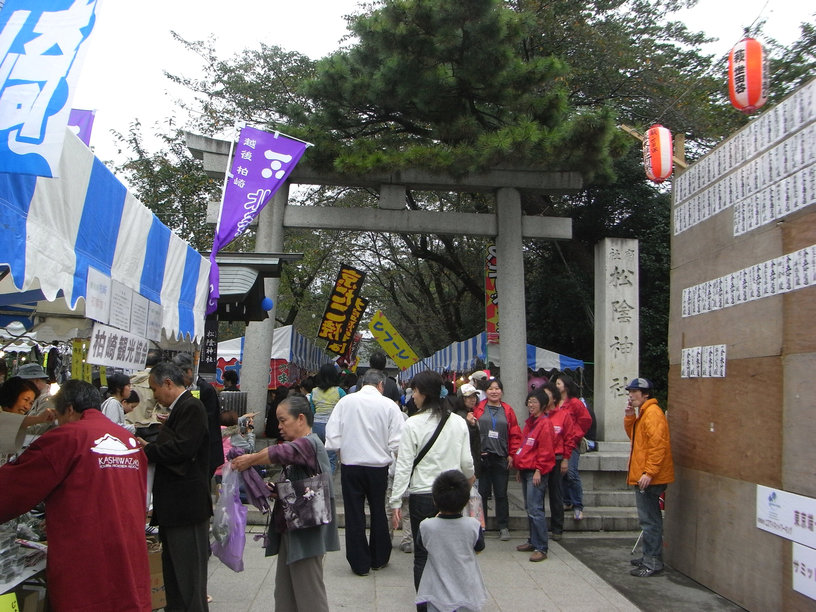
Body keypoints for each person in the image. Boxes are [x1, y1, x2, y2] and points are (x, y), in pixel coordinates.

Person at [0, 380, 151, 611]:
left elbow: (14, 487)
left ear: (69, 409)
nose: (58, 424)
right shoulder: (127, 440)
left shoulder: (67, 437)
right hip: (129, 555)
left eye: (59, 417)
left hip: (86, 560)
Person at [231, 393, 340, 612]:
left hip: (305, 531)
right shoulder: (302, 444)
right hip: (293, 527)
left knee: (309, 595)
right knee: (285, 592)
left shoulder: (309, 443)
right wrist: (275, 490)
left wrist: (249, 460)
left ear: (301, 419)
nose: (279, 426)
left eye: (283, 420)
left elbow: (280, 452)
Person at [389, 370, 474, 607]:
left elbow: (404, 465)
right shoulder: (458, 421)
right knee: (451, 555)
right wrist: (467, 484)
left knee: (423, 555)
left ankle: (425, 604)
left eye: (415, 391)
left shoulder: (413, 424)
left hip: (423, 497)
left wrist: (396, 501)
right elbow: (467, 463)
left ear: (423, 393)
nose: (413, 396)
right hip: (453, 496)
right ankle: (452, 602)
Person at [141, 361, 212, 611]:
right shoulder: (180, 407)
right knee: (173, 576)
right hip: (175, 507)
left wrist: (148, 450)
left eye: (154, 388)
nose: (154, 394)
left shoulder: (192, 406)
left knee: (189, 578)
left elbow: (183, 449)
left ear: (168, 383)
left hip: (187, 507)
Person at [325, 369, 404, 576]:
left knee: (354, 513)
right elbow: (398, 442)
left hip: (351, 465)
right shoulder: (389, 405)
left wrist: (342, 452)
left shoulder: (346, 402)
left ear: (362, 384)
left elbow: (332, 436)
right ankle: (379, 558)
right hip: (378, 467)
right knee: (378, 510)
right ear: (381, 385)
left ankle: (359, 563)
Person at [415, 470, 487, 612]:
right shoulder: (473, 525)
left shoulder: (426, 526)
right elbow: (479, 547)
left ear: (435, 500)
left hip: (436, 591)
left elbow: (422, 546)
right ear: (466, 500)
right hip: (467, 589)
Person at [624, 378, 674, 577]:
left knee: (650, 520)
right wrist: (629, 417)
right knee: (648, 519)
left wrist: (649, 472)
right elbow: (636, 437)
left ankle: (652, 561)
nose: (631, 395)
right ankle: (648, 557)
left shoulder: (652, 413)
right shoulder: (645, 413)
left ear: (646, 394)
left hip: (649, 477)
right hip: (645, 475)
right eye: (630, 391)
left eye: (635, 391)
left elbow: (658, 446)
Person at [473, 377, 522, 540]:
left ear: (502, 391)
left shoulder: (507, 410)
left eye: (497, 388)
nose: (494, 391)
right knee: (482, 493)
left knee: (501, 494)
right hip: (483, 457)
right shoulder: (478, 408)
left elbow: (515, 434)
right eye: (491, 389)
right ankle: (481, 526)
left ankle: (503, 526)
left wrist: (512, 454)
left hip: (501, 457)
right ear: (485, 392)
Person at [513, 388, 557, 562]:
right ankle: (533, 541)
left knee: (535, 509)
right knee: (530, 508)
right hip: (526, 469)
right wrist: (519, 468)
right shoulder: (531, 422)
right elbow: (525, 447)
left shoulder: (544, 424)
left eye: (535, 402)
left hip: (536, 471)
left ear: (543, 405)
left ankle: (541, 547)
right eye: (529, 401)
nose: (531, 405)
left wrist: (540, 469)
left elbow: (546, 450)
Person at [174, 352, 223, 478]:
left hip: (207, 450)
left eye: (179, 376)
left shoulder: (205, 389)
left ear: (190, 371)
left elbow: (207, 419)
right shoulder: (186, 389)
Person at [556, 372, 592, 521]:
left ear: (565, 386)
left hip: (571, 443)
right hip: (557, 443)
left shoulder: (575, 403)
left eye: (558, 383)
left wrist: (574, 435)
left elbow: (585, 420)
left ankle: (578, 505)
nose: (556, 386)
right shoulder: (555, 402)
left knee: (571, 473)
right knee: (561, 473)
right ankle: (567, 501)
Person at [542, 383, 576, 541]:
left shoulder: (563, 415)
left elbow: (569, 438)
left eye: (547, 395)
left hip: (557, 458)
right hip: (541, 460)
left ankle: (557, 528)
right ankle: (540, 528)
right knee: (539, 495)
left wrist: (566, 459)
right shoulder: (539, 414)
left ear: (554, 397)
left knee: (556, 494)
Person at [310, 363, 346, 474]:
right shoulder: (339, 391)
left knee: (319, 458)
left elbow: (312, 410)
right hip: (332, 427)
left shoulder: (314, 391)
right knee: (330, 459)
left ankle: (318, 481)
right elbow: (345, 410)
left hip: (316, 426)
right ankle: (328, 485)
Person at [127, 349, 166, 443]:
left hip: (128, 426)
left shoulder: (130, 379)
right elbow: (163, 408)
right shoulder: (157, 382)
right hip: (149, 428)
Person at [450, 383, 482, 480]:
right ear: (461, 398)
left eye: (474, 396)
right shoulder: (460, 417)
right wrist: (470, 425)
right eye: (469, 397)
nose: (473, 399)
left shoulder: (469, 414)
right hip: (465, 466)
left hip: (471, 462)